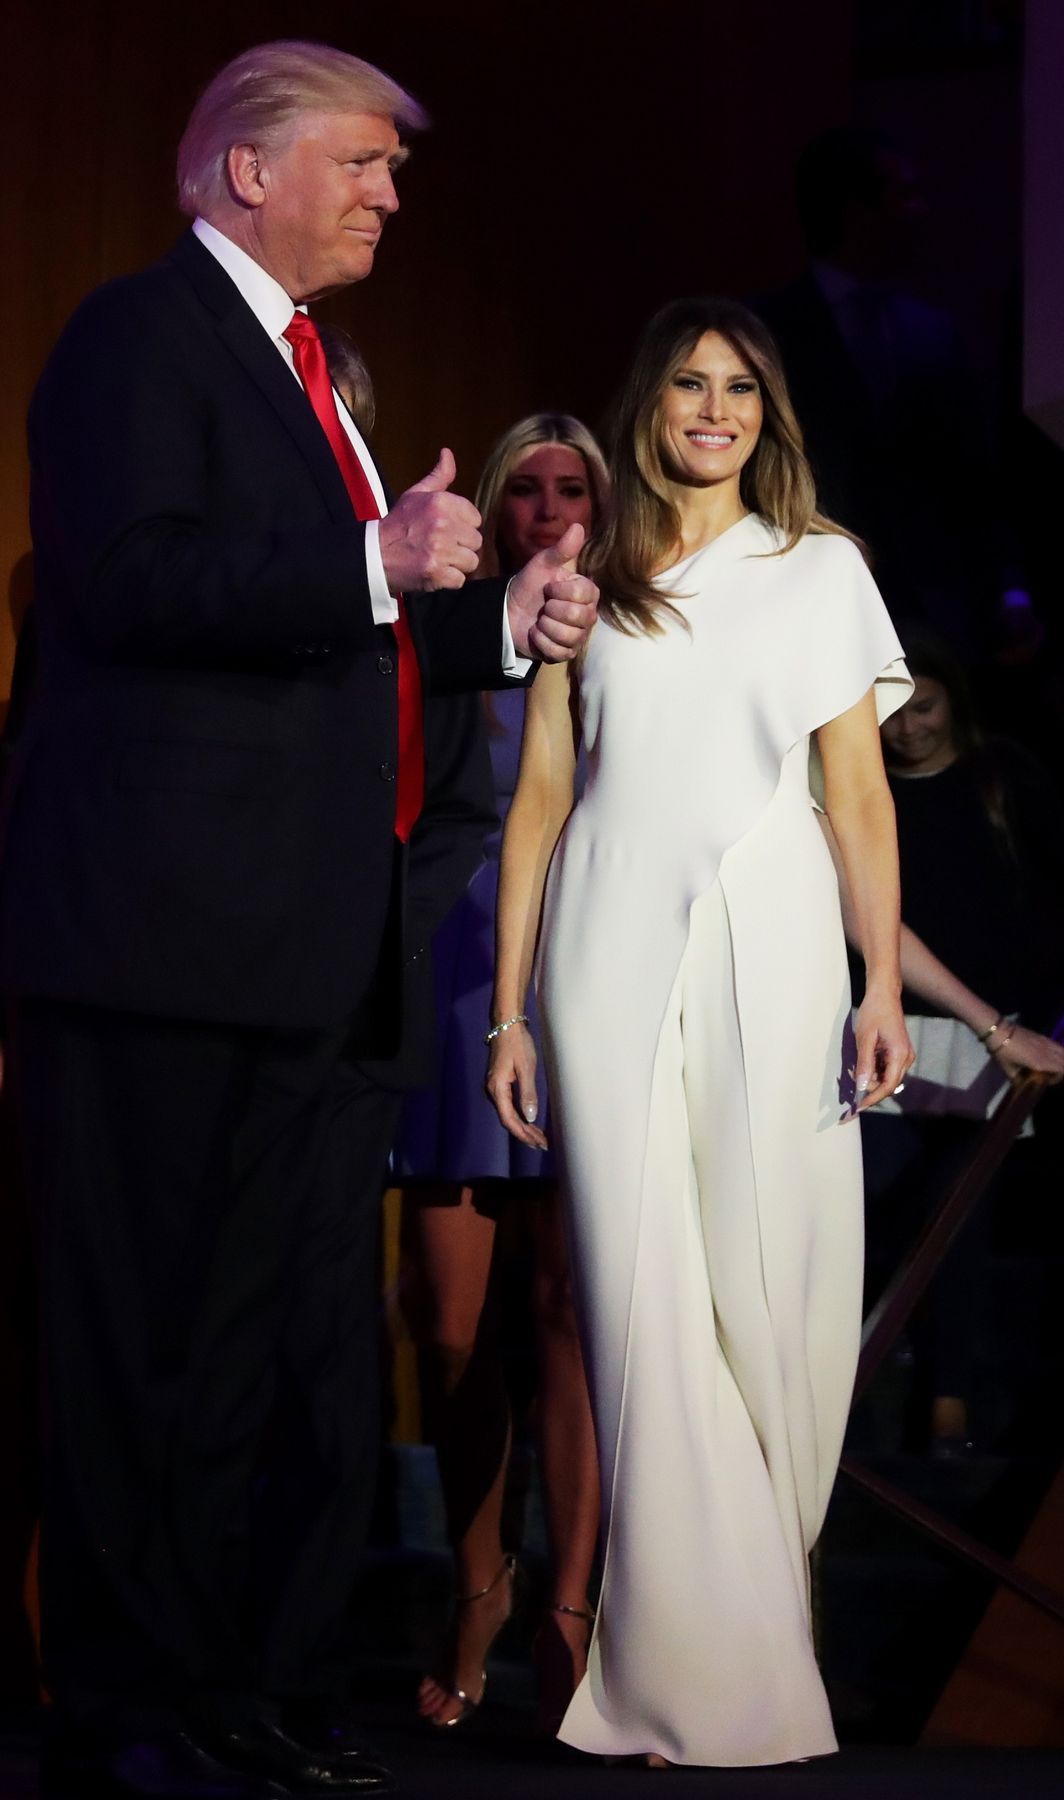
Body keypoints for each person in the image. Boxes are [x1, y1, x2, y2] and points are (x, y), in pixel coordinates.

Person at [0, 40, 598, 1800]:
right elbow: (131, 581)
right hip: (159, 943)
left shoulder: (319, 370)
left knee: (278, 1346)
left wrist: (490, 629)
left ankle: (245, 1687)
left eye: (393, 173)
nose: (390, 196)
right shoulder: (137, 339)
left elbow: (333, 638)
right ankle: (122, 1704)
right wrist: (372, 568)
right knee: (143, 1334)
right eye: (361, 164)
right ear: (245, 172)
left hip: (306, 951)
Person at [487, 296, 915, 1767]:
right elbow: (541, 800)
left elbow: (858, 792)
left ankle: (752, 1638)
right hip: (603, 943)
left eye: (740, 387)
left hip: (777, 935)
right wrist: (505, 1010)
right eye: (689, 384)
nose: (715, 409)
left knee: (767, 1291)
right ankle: (679, 1680)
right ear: (650, 405)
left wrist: (878, 982)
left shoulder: (820, 569)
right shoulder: (586, 573)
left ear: (767, 413)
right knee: (637, 1302)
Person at [394, 415, 607, 1731]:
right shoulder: (456, 636)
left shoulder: (636, 637)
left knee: (575, 1319)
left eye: (569, 486)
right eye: (521, 487)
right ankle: (479, 1585)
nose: (543, 507)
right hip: (457, 985)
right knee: (451, 1324)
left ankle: (571, 1612)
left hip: (588, 982)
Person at [858, 632, 1064, 1452]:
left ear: (953, 700)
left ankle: (948, 1389)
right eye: (895, 715)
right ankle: (867, 1376)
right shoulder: (869, 793)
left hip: (998, 1032)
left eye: (926, 707)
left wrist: (1039, 1019)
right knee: (882, 1202)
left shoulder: (1001, 777)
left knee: (961, 1211)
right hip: (897, 1028)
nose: (911, 729)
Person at [756, 126, 1035, 663]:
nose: (920, 211)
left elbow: (973, 477)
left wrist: (1009, 587)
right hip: (809, 604)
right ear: (855, 209)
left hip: (938, 612)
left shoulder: (932, 331)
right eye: (903, 194)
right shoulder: (765, 331)